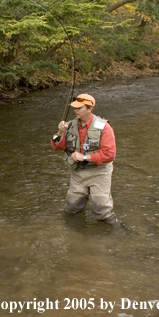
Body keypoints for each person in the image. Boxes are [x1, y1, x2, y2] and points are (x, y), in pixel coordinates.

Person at [51, 93, 120, 226]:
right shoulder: (69, 125)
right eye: (75, 108)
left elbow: (110, 155)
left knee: (102, 211)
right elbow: (56, 146)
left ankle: (117, 232)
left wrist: (83, 157)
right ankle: (73, 233)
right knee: (71, 208)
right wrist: (59, 132)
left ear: (90, 108)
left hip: (99, 172)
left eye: (79, 108)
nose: (75, 110)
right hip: (78, 172)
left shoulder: (104, 127)